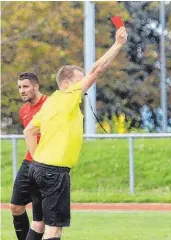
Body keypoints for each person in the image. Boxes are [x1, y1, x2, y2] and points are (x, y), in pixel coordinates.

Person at [23, 27, 128, 240]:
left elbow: (29, 131)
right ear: (68, 82)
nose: (85, 83)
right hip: (54, 172)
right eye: (81, 79)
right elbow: (97, 70)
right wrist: (117, 44)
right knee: (54, 229)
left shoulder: (51, 101)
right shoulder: (69, 95)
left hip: (38, 170)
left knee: (38, 224)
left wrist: (37, 161)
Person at [11, 72, 48, 240]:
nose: (22, 91)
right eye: (19, 87)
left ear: (36, 86)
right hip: (29, 162)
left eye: (25, 86)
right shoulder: (23, 110)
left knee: (41, 218)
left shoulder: (50, 105)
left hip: (47, 164)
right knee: (15, 207)